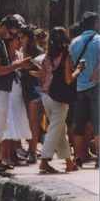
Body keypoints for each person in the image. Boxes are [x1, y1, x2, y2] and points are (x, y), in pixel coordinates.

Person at [0, 15, 33, 173]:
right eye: (12, 32)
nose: (13, 36)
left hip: (1, 90)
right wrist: (18, 65)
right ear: (5, 26)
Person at [39, 26, 80, 174]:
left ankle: (69, 162)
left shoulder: (46, 57)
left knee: (59, 129)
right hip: (60, 99)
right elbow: (69, 80)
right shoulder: (65, 56)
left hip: (46, 96)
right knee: (55, 129)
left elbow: (42, 77)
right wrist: (79, 70)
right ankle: (44, 161)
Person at [69, 11, 100, 168]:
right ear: (95, 24)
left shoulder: (74, 42)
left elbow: (70, 64)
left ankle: (78, 157)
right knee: (97, 122)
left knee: (79, 123)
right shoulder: (99, 40)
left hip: (79, 87)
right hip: (96, 86)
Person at [3, 29, 32, 166]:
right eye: (17, 40)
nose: (19, 42)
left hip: (17, 91)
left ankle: (13, 154)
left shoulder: (19, 54)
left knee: (17, 123)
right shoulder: (4, 55)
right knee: (9, 124)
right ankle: (6, 156)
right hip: (8, 92)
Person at [19, 25, 44, 164]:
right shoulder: (20, 51)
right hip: (22, 88)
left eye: (22, 37)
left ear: (28, 37)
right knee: (25, 121)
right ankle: (28, 149)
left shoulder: (38, 52)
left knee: (33, 121)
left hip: (34, 89)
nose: (20, 39)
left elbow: (44, 72)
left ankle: (33, 151)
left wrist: (28, 68)